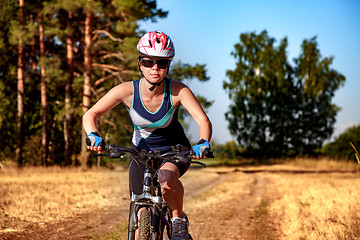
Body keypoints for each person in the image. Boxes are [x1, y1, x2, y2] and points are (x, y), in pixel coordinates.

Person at [83, 30, 212, 240]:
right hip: (140, 153)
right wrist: (94, 135)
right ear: (139, 63)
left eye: (161, 63)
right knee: (139, 209)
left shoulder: (178, 90)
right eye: (149, 62)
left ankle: (178, 219)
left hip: (174, 151)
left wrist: (203, 142)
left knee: (166, 180)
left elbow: (203, 120)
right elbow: (91, 114)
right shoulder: (127, 91)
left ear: (168, 65)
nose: (155, 68)